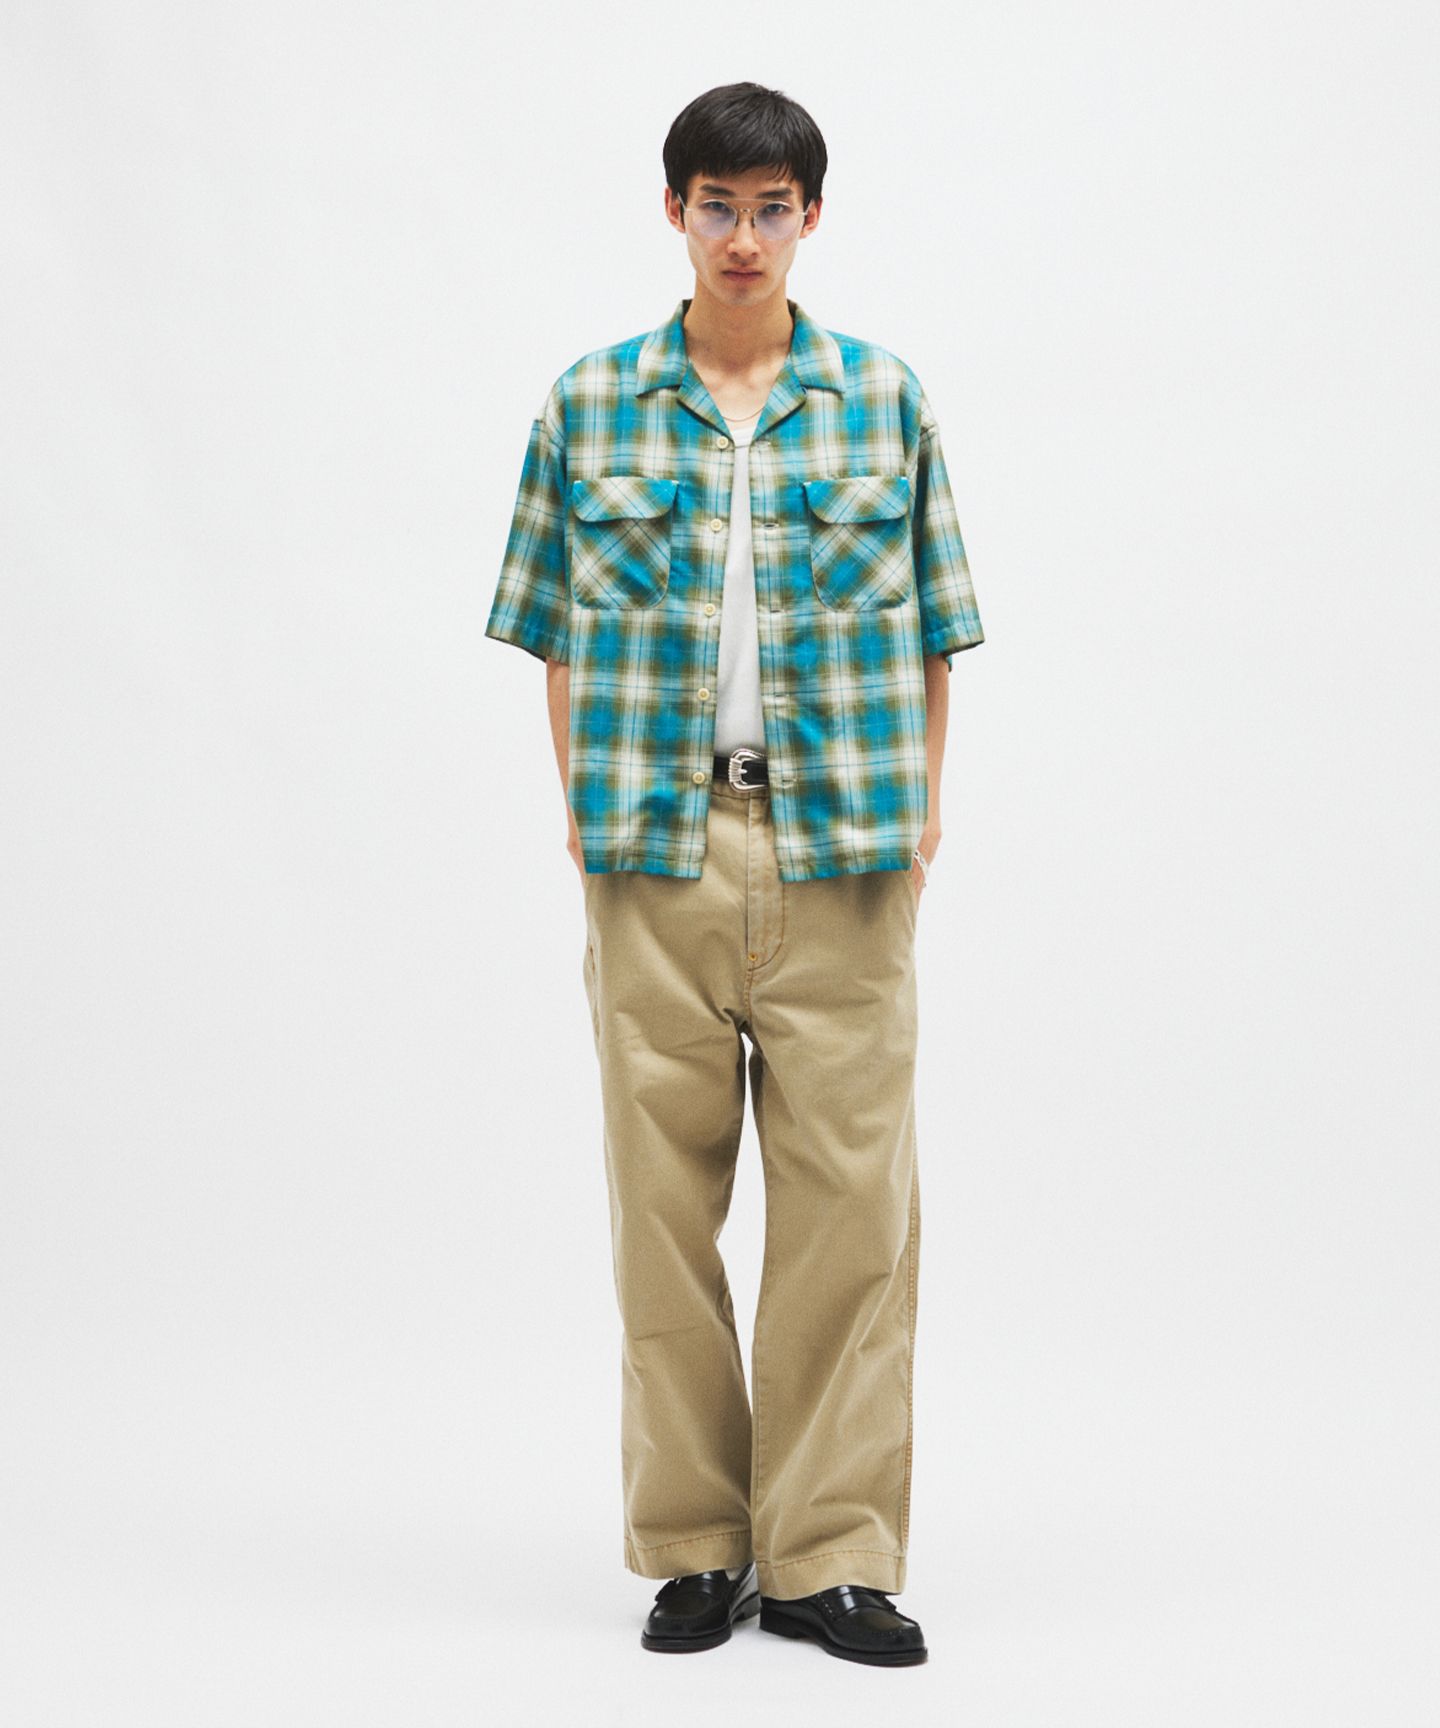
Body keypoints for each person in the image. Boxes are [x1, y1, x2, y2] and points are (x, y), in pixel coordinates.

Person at [485, 81, 984, 1667]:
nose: (745, 236)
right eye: (719, 204)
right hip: (656, 849)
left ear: (811, 217)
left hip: (847, 854)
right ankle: (697, 1546)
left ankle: (828, 1555)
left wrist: (921, 819)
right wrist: (584, 814)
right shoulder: (590, 404)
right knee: (661, 1209)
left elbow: (936, 631)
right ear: (676, 211)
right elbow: (548, 631)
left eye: (774, 208)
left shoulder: (885, 400)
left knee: (854, 1215)